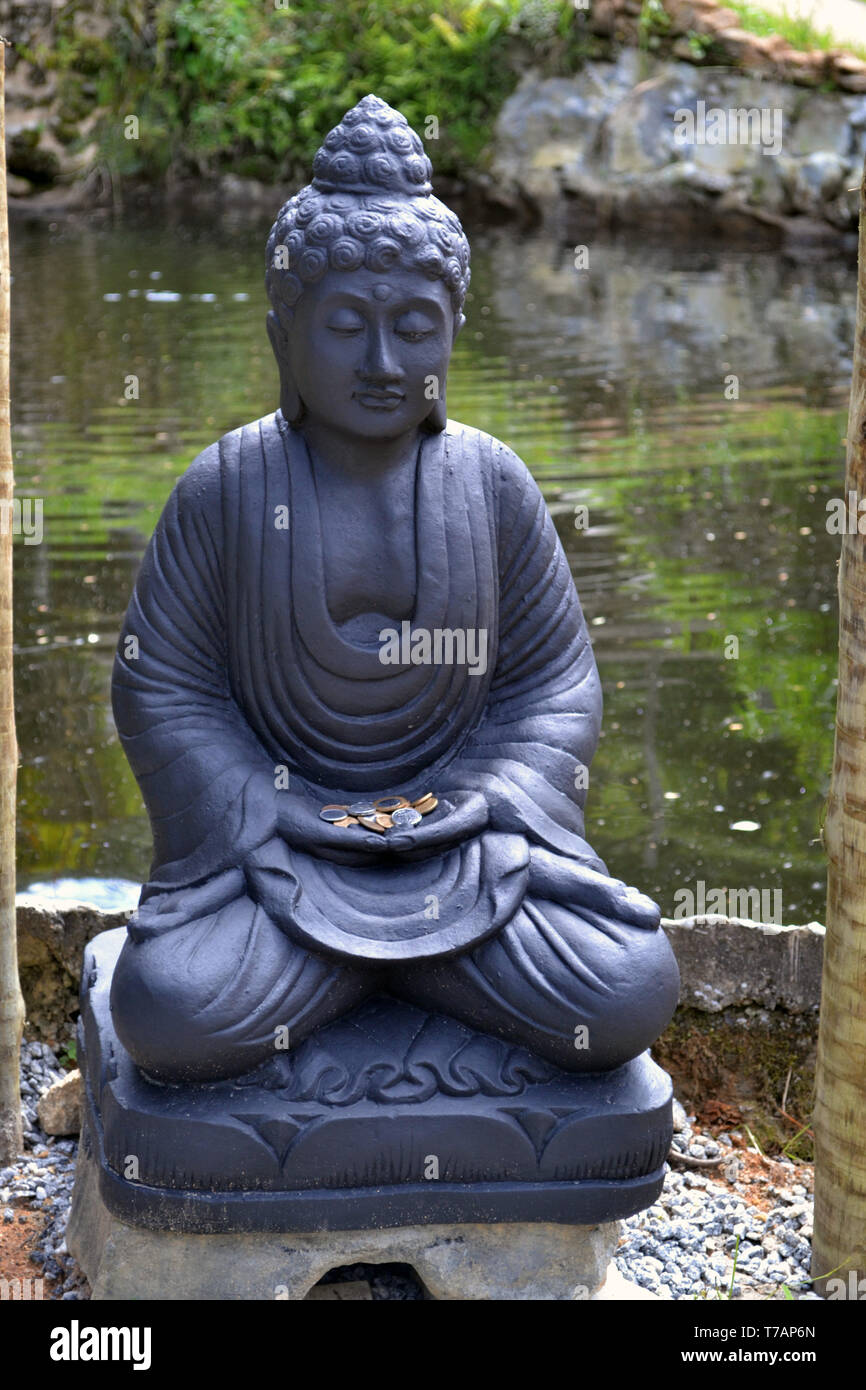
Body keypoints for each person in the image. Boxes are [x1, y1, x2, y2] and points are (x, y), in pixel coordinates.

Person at [109, 95, 679, 1085]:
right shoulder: (229, 485)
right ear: (284, 332)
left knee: (626, 983)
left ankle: (360, 985)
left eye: (413, 326)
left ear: (452, 329)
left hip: (466, 855)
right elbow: (162, 690)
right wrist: (263, 804)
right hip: (278, 860)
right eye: (345, 326)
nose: (381, 363)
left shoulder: (490, 483)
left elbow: (553, 688)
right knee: (168, 1003)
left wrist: (483, 797)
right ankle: (415, 985)